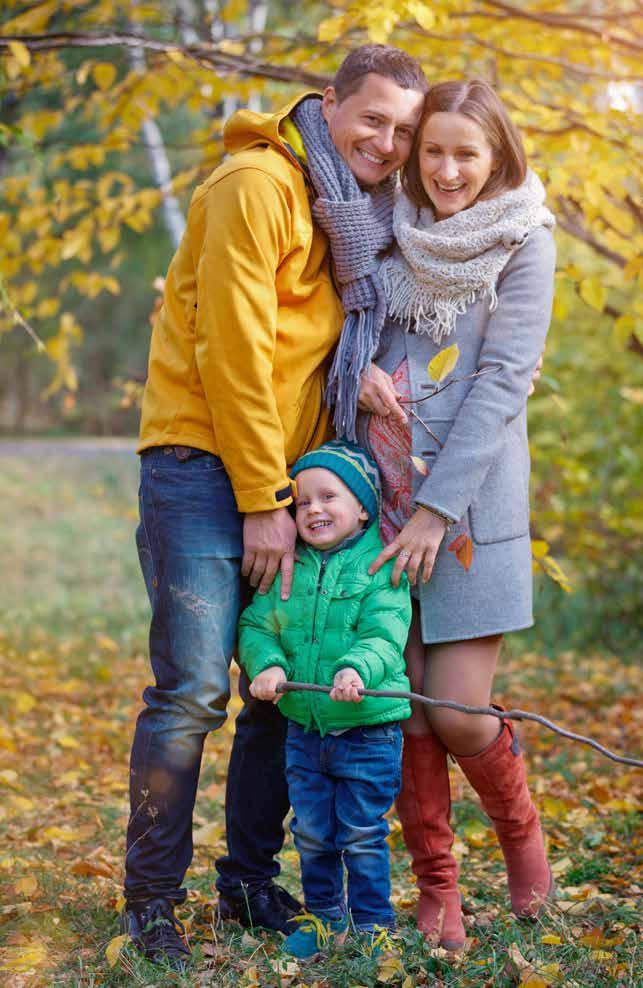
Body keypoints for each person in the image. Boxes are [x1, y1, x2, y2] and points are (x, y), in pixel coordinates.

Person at [125, 46, 427, 966]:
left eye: (403, 130)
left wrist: (357, 378)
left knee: (278, 689)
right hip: (203, 464)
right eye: (372, 118)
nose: (387, 142)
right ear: (328, 104)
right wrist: (265, 497)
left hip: (285, 473)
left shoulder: (342, 209)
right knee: (192, 692)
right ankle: (151, 902)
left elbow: (304, 339)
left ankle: (248, 881)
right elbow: (232, 350)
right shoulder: (256, 186)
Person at [356, 79, 556, 951]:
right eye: (431, 150)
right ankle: (437, 889)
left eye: (464, 154)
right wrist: (355, 371)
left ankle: (522, 841)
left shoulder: (524, 239)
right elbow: (343, 332)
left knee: (457, 711)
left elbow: (504, 380)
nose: (444, 170)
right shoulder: (380, 230)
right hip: (376, 498)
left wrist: (436, 511)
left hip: (466, 510)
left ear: (495, 155)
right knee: (403, 708)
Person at [239, 440, 411, 959]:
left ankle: (374, 924)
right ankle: (324, 918)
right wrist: (267, 664)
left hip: (368, 731)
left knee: (361, 833)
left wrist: (357, 668)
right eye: (302, 502)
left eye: (328, 497)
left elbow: (385, 633)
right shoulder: (288, 567)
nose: (313, 509)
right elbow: (257, 625)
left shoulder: (380, 566)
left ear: (363, 508)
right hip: (305, 732)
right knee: (312, 833)